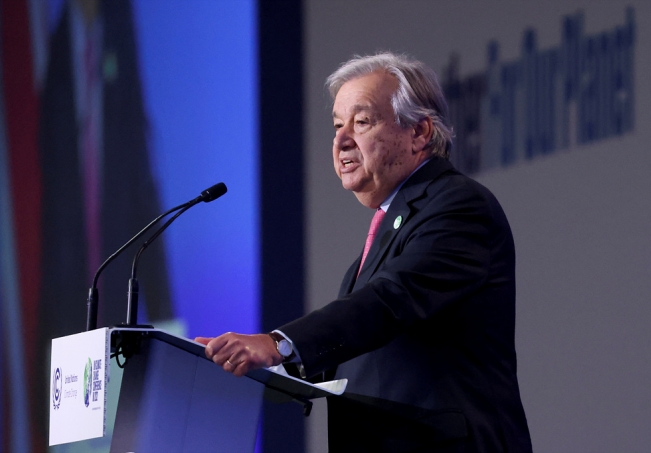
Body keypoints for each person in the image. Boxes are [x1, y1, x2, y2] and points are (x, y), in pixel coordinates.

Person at [195, 52, 532, 452]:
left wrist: (278, 344)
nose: (341, 141)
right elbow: (359, 358)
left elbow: (391, 301)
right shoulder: (382, 239)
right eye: (337, 125)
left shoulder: (459, 206)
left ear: (419, 132)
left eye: (362, 122)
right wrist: (250, 370)